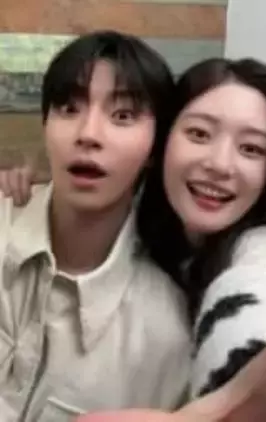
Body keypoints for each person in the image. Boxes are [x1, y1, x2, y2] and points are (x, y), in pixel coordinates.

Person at [1, 57, 266, 421]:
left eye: (251, 149)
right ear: (159, 144)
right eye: (199, 134)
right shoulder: (142, 236)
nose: (220, 164)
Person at [0, 31, 192, 421]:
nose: (88, 134)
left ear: (156, 148)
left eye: (123, 116)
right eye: (69, 108)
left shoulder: (167, 332)